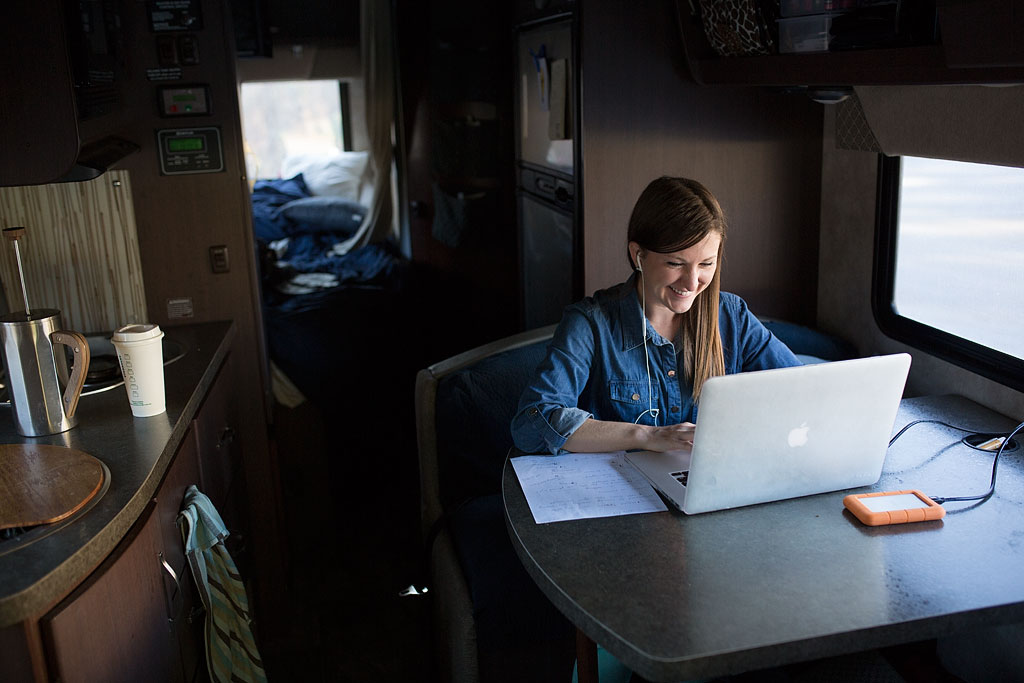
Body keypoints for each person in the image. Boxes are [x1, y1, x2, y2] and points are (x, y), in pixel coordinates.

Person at [511, 176, 801, 455]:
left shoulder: (733, 316)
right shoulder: (589, 323)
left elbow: (802, 393)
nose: (692, 282)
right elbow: (531, 424)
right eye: (675, 263)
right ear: (638, 255)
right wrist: (647, 436)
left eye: (706, 264)